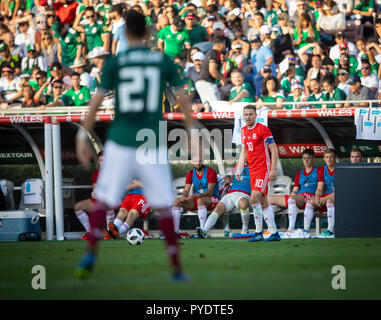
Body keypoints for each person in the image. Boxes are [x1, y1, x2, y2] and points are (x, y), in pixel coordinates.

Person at [75, 9, 193, 281]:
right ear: (149, 32)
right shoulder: (162, 60)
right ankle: (175, 266)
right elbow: (182, 99)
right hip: (150, 140)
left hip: (120, 138)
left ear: (125, 32)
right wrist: (192, 130)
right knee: (164, 204)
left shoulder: (115, 63)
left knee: (103, 200)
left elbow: (96, 100)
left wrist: (83, 134)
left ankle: (90, 257)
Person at [236, 104, 281, 242]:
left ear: (256, 115)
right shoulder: (243, 131)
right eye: (245, 114)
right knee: (263, 201)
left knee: (254, 199)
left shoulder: (263, 129)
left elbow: (274, 149)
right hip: (252, 169)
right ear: (243, 116)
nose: (248, 117)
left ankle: (258, 232)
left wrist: (273, 169)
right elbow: (244, 151)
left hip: (263, 169)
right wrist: (239, 167)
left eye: (250, 114)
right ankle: (274, 233)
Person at [269, 149, 319, 238]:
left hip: (310, 198)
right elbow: (295, 189)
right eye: (304, 158)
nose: (306, 160)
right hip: (298, 197)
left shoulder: (319, 171)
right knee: (269, 199)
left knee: (292, 199)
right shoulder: (300, 174)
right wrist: (293, 194)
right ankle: (271, 229)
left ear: (313, 159)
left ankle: (290, 229)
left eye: (309, 158)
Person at [196, 163, 252, 238]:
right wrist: (227, 178)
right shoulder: (238, 165)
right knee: (218, 208)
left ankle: (245, 229)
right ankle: (204, 231)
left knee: (243, 204)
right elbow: (228, 179)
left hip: (244, 194)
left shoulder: (254, 166)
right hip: (231, 194)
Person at [73, 151, 115, 240]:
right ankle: (91, 232)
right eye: (100, 160)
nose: (102, 163)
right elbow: (94, 191)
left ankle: (110, 232)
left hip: (113, 199)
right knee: (78, 207)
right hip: (99, 199)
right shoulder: (96, 173)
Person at [172, 160, 220, 236]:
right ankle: (175, 232)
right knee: (177, 201)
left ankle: (203, 231)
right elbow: (186, 190)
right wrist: (184, 196)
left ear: (202, 161)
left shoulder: (210, 172)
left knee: (200, 200)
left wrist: (195, 196)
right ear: (192, 162)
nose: (198, 163)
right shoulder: (191, 173)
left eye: (199, 161)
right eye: (195, 161)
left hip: (212, 199)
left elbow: (210, 192)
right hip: (198, 200)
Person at [195, 35, 227, 111]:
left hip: (200, 83)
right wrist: (222, 79)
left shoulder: (209, 52)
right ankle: (218, 123)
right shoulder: (215, 52)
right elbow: (212, 70)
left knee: (207, 107)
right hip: (207, 83)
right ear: (222, 44)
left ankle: (206, 123)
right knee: (217, 106)